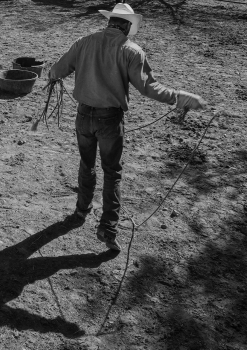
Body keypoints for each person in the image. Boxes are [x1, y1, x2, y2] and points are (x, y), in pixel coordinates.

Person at [48, 2, 207, 251]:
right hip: (110, 119)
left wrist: (53, 74)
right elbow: (148, 87)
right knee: (112, 172)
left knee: (86, 164)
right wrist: (179, 96)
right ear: (128, 25)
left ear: (111, 21)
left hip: (83, 116)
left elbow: (57, 71)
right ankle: (108, 228)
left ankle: (81, 211)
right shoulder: (132, 50)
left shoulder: (83, 42)